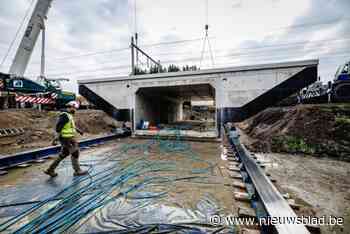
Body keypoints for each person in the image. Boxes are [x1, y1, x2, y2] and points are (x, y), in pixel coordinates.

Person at [44, 101, 88, 177]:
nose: (75, 110)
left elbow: (71, 126)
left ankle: (50, 170)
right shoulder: (64, 115)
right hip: (66, 138)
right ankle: (77, 170)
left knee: (64, 154)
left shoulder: (69, 115)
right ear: (71, 107)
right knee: (75, 152)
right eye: (75, 108)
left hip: (68, 137)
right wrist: (55, 139)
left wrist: (79, 131)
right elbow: (58, 128)